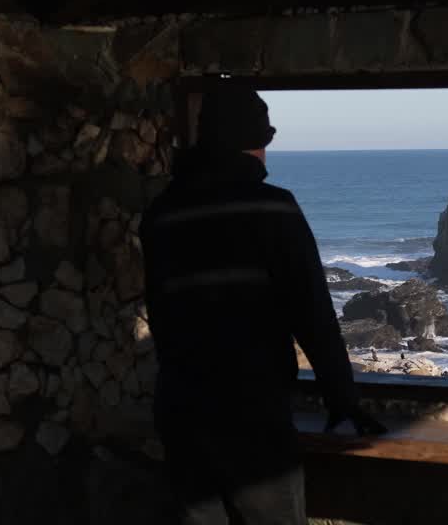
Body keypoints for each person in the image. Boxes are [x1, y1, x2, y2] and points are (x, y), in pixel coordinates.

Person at [140, 83, 385, 525]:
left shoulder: (162, 212)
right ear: (256, 145)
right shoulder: (274, 209)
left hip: (180, 409)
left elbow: (160, 310)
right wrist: (342, 398)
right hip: (253, 413)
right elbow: (312, 313)